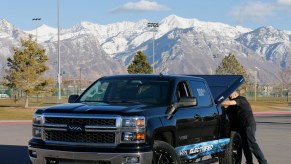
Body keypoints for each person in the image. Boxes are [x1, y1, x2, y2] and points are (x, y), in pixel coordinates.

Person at [221, 91, 268, 164]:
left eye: (230, 95)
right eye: (229, 96)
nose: (229, 97)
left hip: (248, 125)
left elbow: (229, 103)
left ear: (236, 94)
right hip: (240, 127)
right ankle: (249, 162)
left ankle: (263, 162)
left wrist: (217, 102)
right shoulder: (231, 107)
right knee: (245, 145)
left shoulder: (242, 99)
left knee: (251, 143)